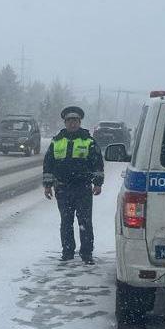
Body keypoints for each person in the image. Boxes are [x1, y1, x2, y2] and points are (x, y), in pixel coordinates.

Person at [42, 105, 105, 262]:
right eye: (69, 120)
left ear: (80, 122)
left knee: (85, 222)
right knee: (66, 222)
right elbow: (48, 164)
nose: (72, 123)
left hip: (82, 188)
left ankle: (86, 253)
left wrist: (98, 183)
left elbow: (97, 163)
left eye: (75, 120)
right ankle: (67, 252)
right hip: (62, 188)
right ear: (65, 122)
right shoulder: (56, 142)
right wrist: (47, 185)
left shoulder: (88, 141)